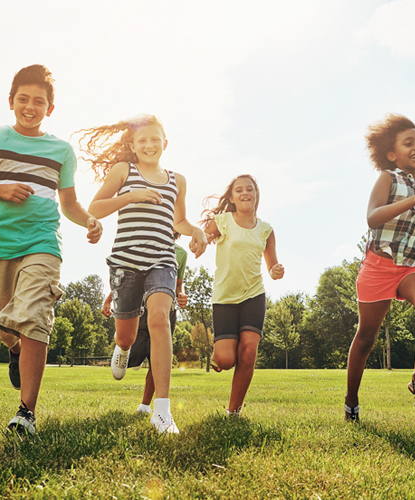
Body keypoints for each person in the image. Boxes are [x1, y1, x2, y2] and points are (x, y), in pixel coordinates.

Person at [0, 64, 102, 436]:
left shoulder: (60, 150)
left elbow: (69, 203)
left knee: (36, 316)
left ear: (49, 108)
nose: (30, 106)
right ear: (11, 101)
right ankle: (14, 348)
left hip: (42, 242)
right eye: (23, 99)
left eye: (39, 101)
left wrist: (88, 220)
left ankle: (26, 413)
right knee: (2, 321)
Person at [77, 114, 207, 434]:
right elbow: (94, 209)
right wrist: (131, 196)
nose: (149, 145)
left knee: (160, 318)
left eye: (155, 139)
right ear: (132, 145)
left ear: (165, 143)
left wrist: (197, 232)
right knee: (127, 335)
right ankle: (122, 349)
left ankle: (161, 410)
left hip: (162, 260)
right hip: (126, 262)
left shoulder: (178, 180)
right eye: (142, 140)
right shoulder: (124, 171)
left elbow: (179, 223)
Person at [345, 113, 415, 421]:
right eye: (408, 143)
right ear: (392, 154)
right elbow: (373, 217)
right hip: (379, 265)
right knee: (366, 337)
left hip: (413, 265)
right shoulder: (388, 178)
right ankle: (351, 399)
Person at [201, 174, 284, 417]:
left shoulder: (266, 230)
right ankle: (223, 354)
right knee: (226, 360)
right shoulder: (223, 221)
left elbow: (272, 268)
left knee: (248, 352)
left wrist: (276, 271)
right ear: (231, 197)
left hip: (253, 295)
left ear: (256, 195)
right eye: (239, 190)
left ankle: (233, 411)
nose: (245, 193)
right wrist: (199, 244)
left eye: (250, 189)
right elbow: (203, 239)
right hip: (225, 297)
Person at [101, 240, 188, 414]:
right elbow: (129, 280)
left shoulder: (181, 253)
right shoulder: (145, 242)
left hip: (166, 312)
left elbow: (178, 284)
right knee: (137, 351)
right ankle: (123, 342)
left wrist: (182, 294)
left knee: (158, 357)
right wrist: (109, 299)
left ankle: (145, 405)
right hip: (142, 309)